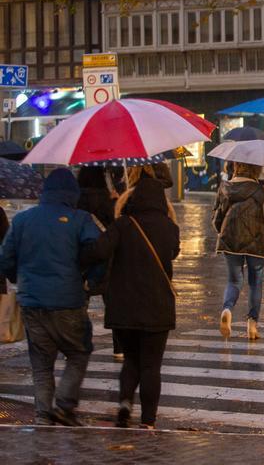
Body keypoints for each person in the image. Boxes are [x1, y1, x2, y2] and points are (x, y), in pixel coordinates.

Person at [0, 169, 102, 426]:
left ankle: (43, 414)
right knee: (78, 352)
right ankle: (65, 405)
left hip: (32, 301)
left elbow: (5, 258)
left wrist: (17, 278)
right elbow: (98, 251)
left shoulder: (23, 220)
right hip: (68, 299)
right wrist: (91, 281)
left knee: (41, 362)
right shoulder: (81, 219)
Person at [81, 178, 180, 429]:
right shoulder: (169, 227)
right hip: (157, 306)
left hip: (124, 306)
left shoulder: (123, 225)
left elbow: (98, 251)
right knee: (151, 366)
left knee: (131, 361)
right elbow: (174, 252)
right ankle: (148, 421)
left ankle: (125, 402)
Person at [213, 162, 264, 341]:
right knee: (255, 283)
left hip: (230, 240)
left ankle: (227, 309)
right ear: (256, 169)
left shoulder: (225, 188)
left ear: (236, 167)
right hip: (256, 243)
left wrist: (222, 232)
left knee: (234, 281)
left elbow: (217, 218)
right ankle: (252, 324)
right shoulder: (261, 191)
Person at [76, 166, 123, 359]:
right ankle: (119, 348)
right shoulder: (107, 199)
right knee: (113, 303)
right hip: (107, 256)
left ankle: (78, 344)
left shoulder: (75, 200)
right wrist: (117, 202)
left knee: (80, 303)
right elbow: (116, 226)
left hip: (82, 257)